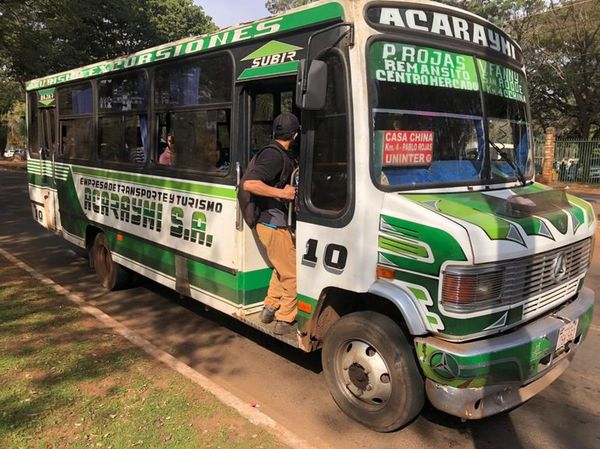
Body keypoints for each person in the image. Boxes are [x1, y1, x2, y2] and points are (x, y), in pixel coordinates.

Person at [243, 112, 299, 335]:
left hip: (270, 223)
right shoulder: (274, 156)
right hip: (271, 223)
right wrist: (282, 193)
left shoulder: (277, 152)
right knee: (293, 273)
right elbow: (250, 184)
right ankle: (285, 319)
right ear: (295, 136)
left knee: (281, 266)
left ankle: (269, 307)